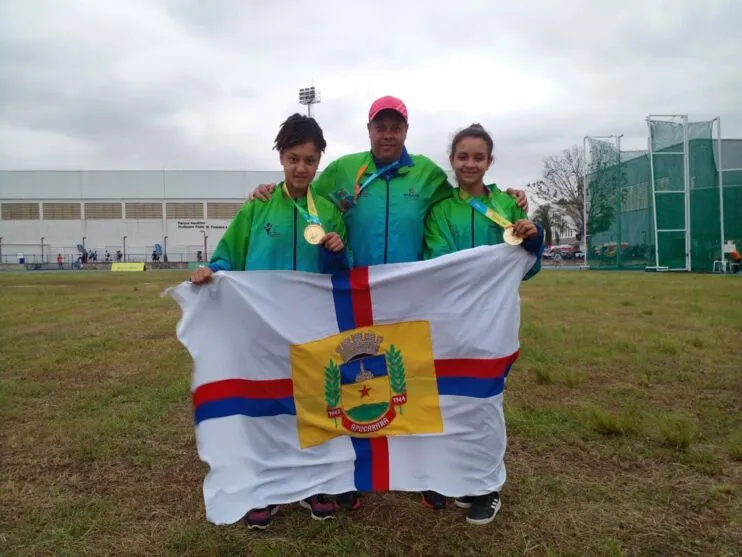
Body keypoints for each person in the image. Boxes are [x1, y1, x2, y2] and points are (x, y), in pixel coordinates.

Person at [250, 96, 530, 512]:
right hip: (353, 295)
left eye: (395, 127)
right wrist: (270, 190)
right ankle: (347, 477)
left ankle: (425, 472)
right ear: (369, 130)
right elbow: (305, 198)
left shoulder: (428, 174)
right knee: (350, 386)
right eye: (380, 127)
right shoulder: (344, 170)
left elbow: (465, 191)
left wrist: (510, 197)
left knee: (410, 385)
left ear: (405, 131)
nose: (387, 134)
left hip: (409, 298)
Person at [190, 113, 349, 529]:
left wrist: (335, 250)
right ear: (281, 157)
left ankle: (314, 483)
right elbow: (229, 254)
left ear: (319, 162)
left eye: (310, 160)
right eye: (293, 158)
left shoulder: (329, 211)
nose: (301, 168)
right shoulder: (258, 206)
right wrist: (212, 269)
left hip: (310, 329)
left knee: (312, 407)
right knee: (263, 408)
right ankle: (263, 489)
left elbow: (340, 273)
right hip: (260, 328)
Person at [424, 123, 543, 526]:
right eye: (462, 156)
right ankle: (456, 477)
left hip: (493, 321)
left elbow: (527, 270)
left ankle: (487, 486)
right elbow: (438, 263)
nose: (470, 163)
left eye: (478, 157)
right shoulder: (441, 210)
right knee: (450, 400)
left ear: (489, 162)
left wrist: (533, 240)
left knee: (487, 401)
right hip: (450, 321)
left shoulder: (510, 208)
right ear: (452, 161)